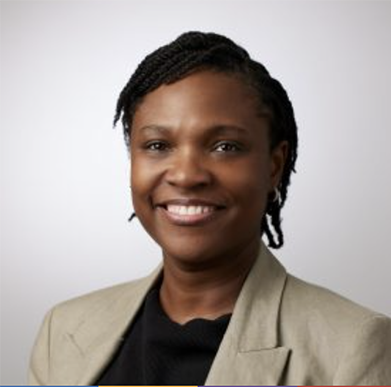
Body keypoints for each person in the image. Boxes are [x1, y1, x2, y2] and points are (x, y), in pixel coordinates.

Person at [29, 31, 391, 386]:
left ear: (273, 166)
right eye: (157, 145)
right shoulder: (63, 330)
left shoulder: (351, 345)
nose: (186, 175)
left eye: (225, 147)